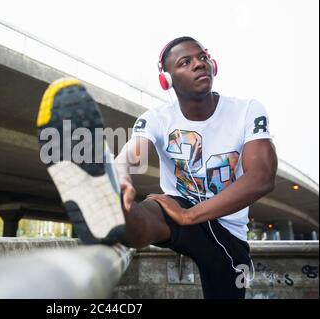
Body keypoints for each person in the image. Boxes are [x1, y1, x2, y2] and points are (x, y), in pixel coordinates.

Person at [36, 36, 278, 299]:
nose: (199, 64)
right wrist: (121, 180)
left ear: (213, 65)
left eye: (202, 57)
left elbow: (261, 177)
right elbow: (128, 156)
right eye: (186, 62)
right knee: (149, 210)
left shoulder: (247, 110)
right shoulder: (157, 119)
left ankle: (117, 211)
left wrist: (192, 215)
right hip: (178, 209)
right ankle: (112, 211)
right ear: (168, 80)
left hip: (226, 231)